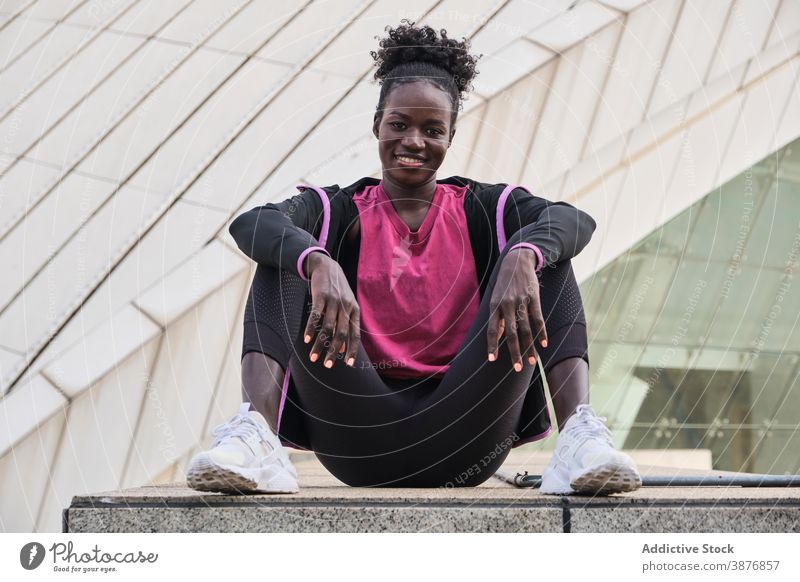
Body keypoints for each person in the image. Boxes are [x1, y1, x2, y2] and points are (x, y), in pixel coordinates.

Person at [186, 20, 641, 495]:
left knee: (543, 256)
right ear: (377, 125)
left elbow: (574, 221)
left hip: (468, 433)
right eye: (399, 125)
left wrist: (524, 252)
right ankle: (255, 437)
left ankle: (579, 440)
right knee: (284, 255)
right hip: (356, 436)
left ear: (451, 135)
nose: (414, 141)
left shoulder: (486, 209)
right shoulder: (334, 211)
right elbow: (251, 224)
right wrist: (317, 260)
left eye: (432, 129)